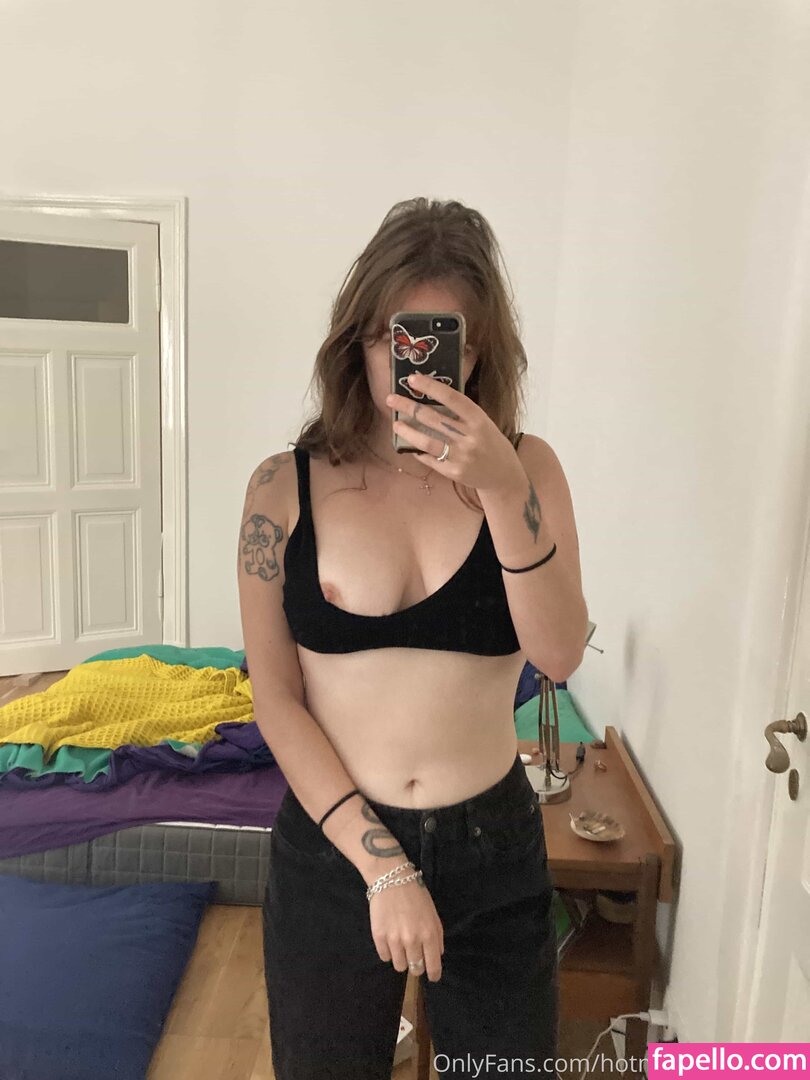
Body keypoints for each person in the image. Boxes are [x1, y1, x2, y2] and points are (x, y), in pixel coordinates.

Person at [237, 197, 588, 1080]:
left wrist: (501, 491)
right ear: (358, 341)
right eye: (398, 338)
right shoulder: (282, 486)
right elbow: (276, 699)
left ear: (480, 352)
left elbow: (557, 655)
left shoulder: (528, 468)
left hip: (493, 846)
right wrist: (385, 870)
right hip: (335, 849)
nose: (419, 367)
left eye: (446, 342)